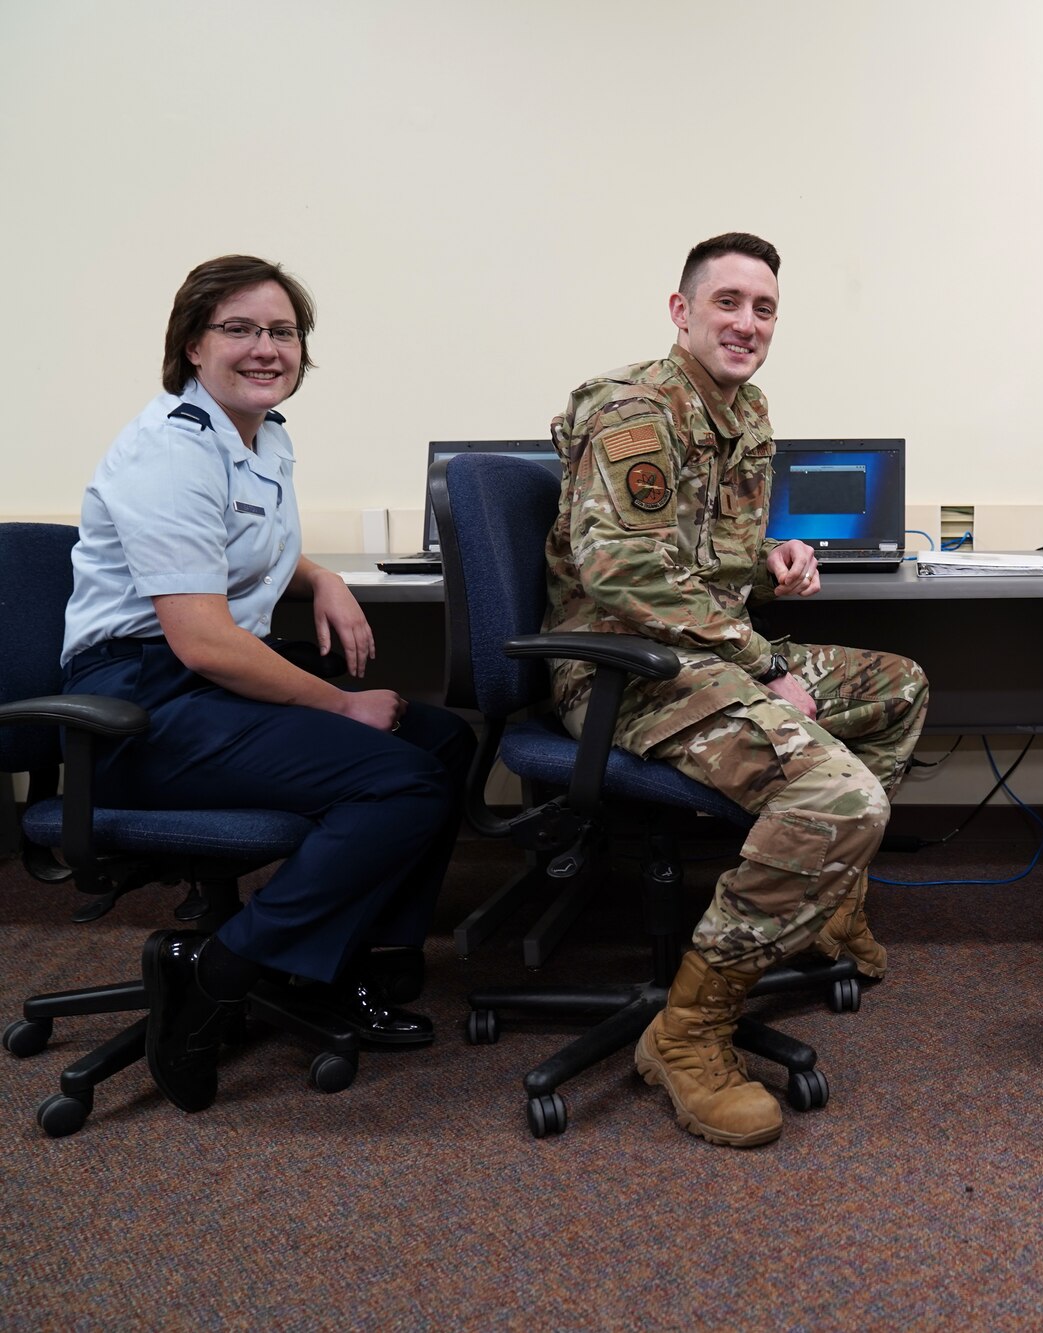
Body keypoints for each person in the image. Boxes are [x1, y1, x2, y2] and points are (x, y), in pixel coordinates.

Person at [64, 255, 476, 1114]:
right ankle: (218, 972)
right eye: (240, 329)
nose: (265, 348)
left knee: (443, 739)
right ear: (190, 345)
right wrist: (339, 703)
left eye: (281, 331)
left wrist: (318, 575)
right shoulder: (167, 450)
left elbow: (242, 548)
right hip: (137, 706)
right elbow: (204, 637)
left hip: (200, 687)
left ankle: (352, 966)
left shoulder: (259, 434)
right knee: (398, 776)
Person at [543, 232, 928, 1149]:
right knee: (840, 795)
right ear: (682, 312)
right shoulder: (639, 411)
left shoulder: (742, 408)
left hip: (703, 654)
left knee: (895, 688)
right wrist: (765, 665)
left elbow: (694, 555)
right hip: (622, 672)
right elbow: (625, 573)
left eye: (763, 309)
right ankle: (687, 1035)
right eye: (728, 303)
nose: (747, 323)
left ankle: (821, 899)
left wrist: (770, 558)